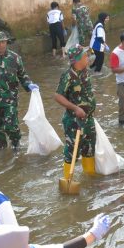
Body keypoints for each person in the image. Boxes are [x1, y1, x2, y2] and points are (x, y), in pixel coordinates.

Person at [54, 45, 98, 176]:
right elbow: (57, 96)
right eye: (85, 56)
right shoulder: (68, 76)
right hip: (74, 121)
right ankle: (68, 179)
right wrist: (75, 108)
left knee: (89, 149)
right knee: (72, 151)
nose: (88, 58)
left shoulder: (85, 71)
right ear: (78, 59)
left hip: (88, 120)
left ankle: (89, 176)